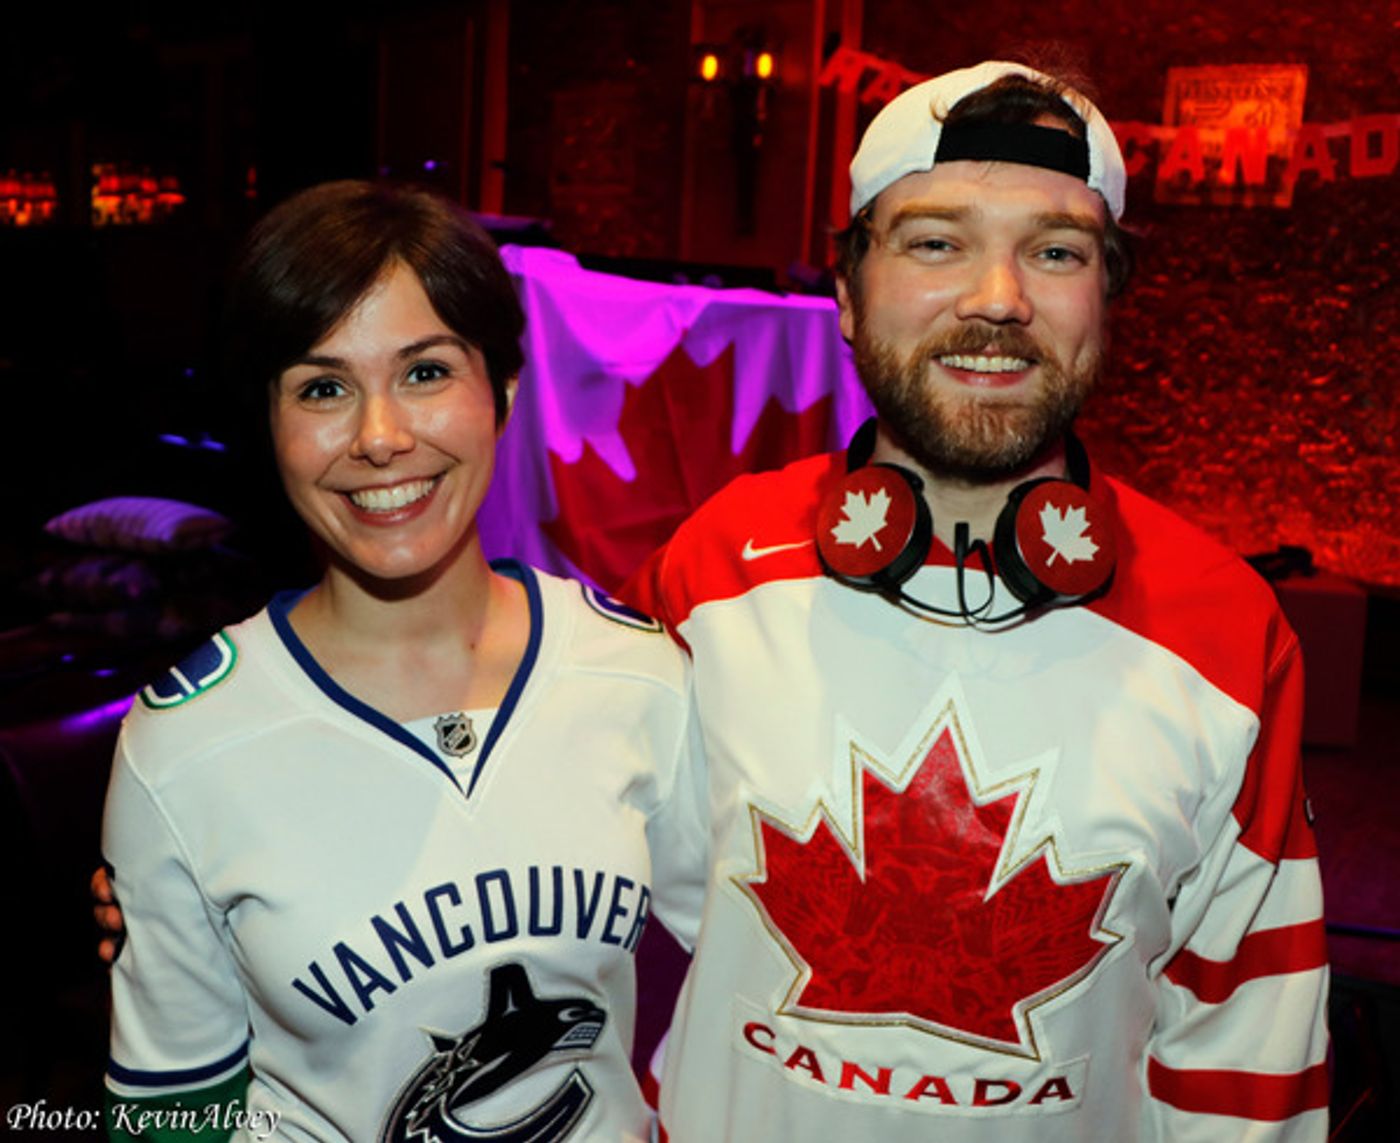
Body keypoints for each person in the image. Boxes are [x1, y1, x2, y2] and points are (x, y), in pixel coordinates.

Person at [622, 61, 1329, 1140]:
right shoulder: (711, 566)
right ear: (848, 293)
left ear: (1105, 299)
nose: (996, 300)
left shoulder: (1225, 628)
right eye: (935, 242)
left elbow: (1246, 1044)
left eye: (1053, 253)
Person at [99, 180, 706, 1142]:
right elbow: (171, 1114)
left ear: (502, 390)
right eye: (323, 388)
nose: (381, 438)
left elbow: (771, 967)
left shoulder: (635, 674)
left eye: (425, 372)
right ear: (270, 426)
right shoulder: (184, 746)